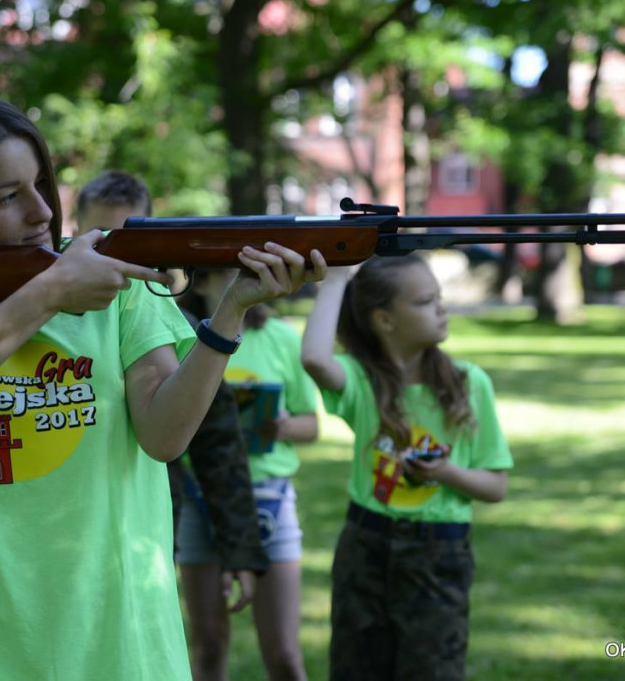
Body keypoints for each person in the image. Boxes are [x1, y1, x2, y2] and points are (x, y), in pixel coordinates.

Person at [0, 92, 325, 680]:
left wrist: (231, 312)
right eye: (6, 197)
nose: (41, 212)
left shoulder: (116, 284)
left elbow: (164, 436)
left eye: (41, 184)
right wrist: (49, 293)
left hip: (120, 638)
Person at [300, 256, 513, 681]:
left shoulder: (469, 383)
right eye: (425, 301)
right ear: (385, 319)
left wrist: (446, 473)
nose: (441, 309)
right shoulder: (364, 381)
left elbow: (495, 487)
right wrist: (337, 276)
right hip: (365, 548)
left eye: (439, 298)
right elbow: (315, 360)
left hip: (438, 555)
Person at [76, 170, 269, 623]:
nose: (116, 255)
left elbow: (218, 443)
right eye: (101, 237)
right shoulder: (40, 308)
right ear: (75, 229)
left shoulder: (173, 327)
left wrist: (240, 550)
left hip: (145, 526)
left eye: (128, 239)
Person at [178, 269, 320, 681]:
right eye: (229, 271)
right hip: (199, 496)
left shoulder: (280, 337)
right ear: (200, 280)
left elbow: (311, 425)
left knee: (284, 654)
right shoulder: (181, 335)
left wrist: (283, 426)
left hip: (269, 496)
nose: (243, 278)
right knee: (208, 643)